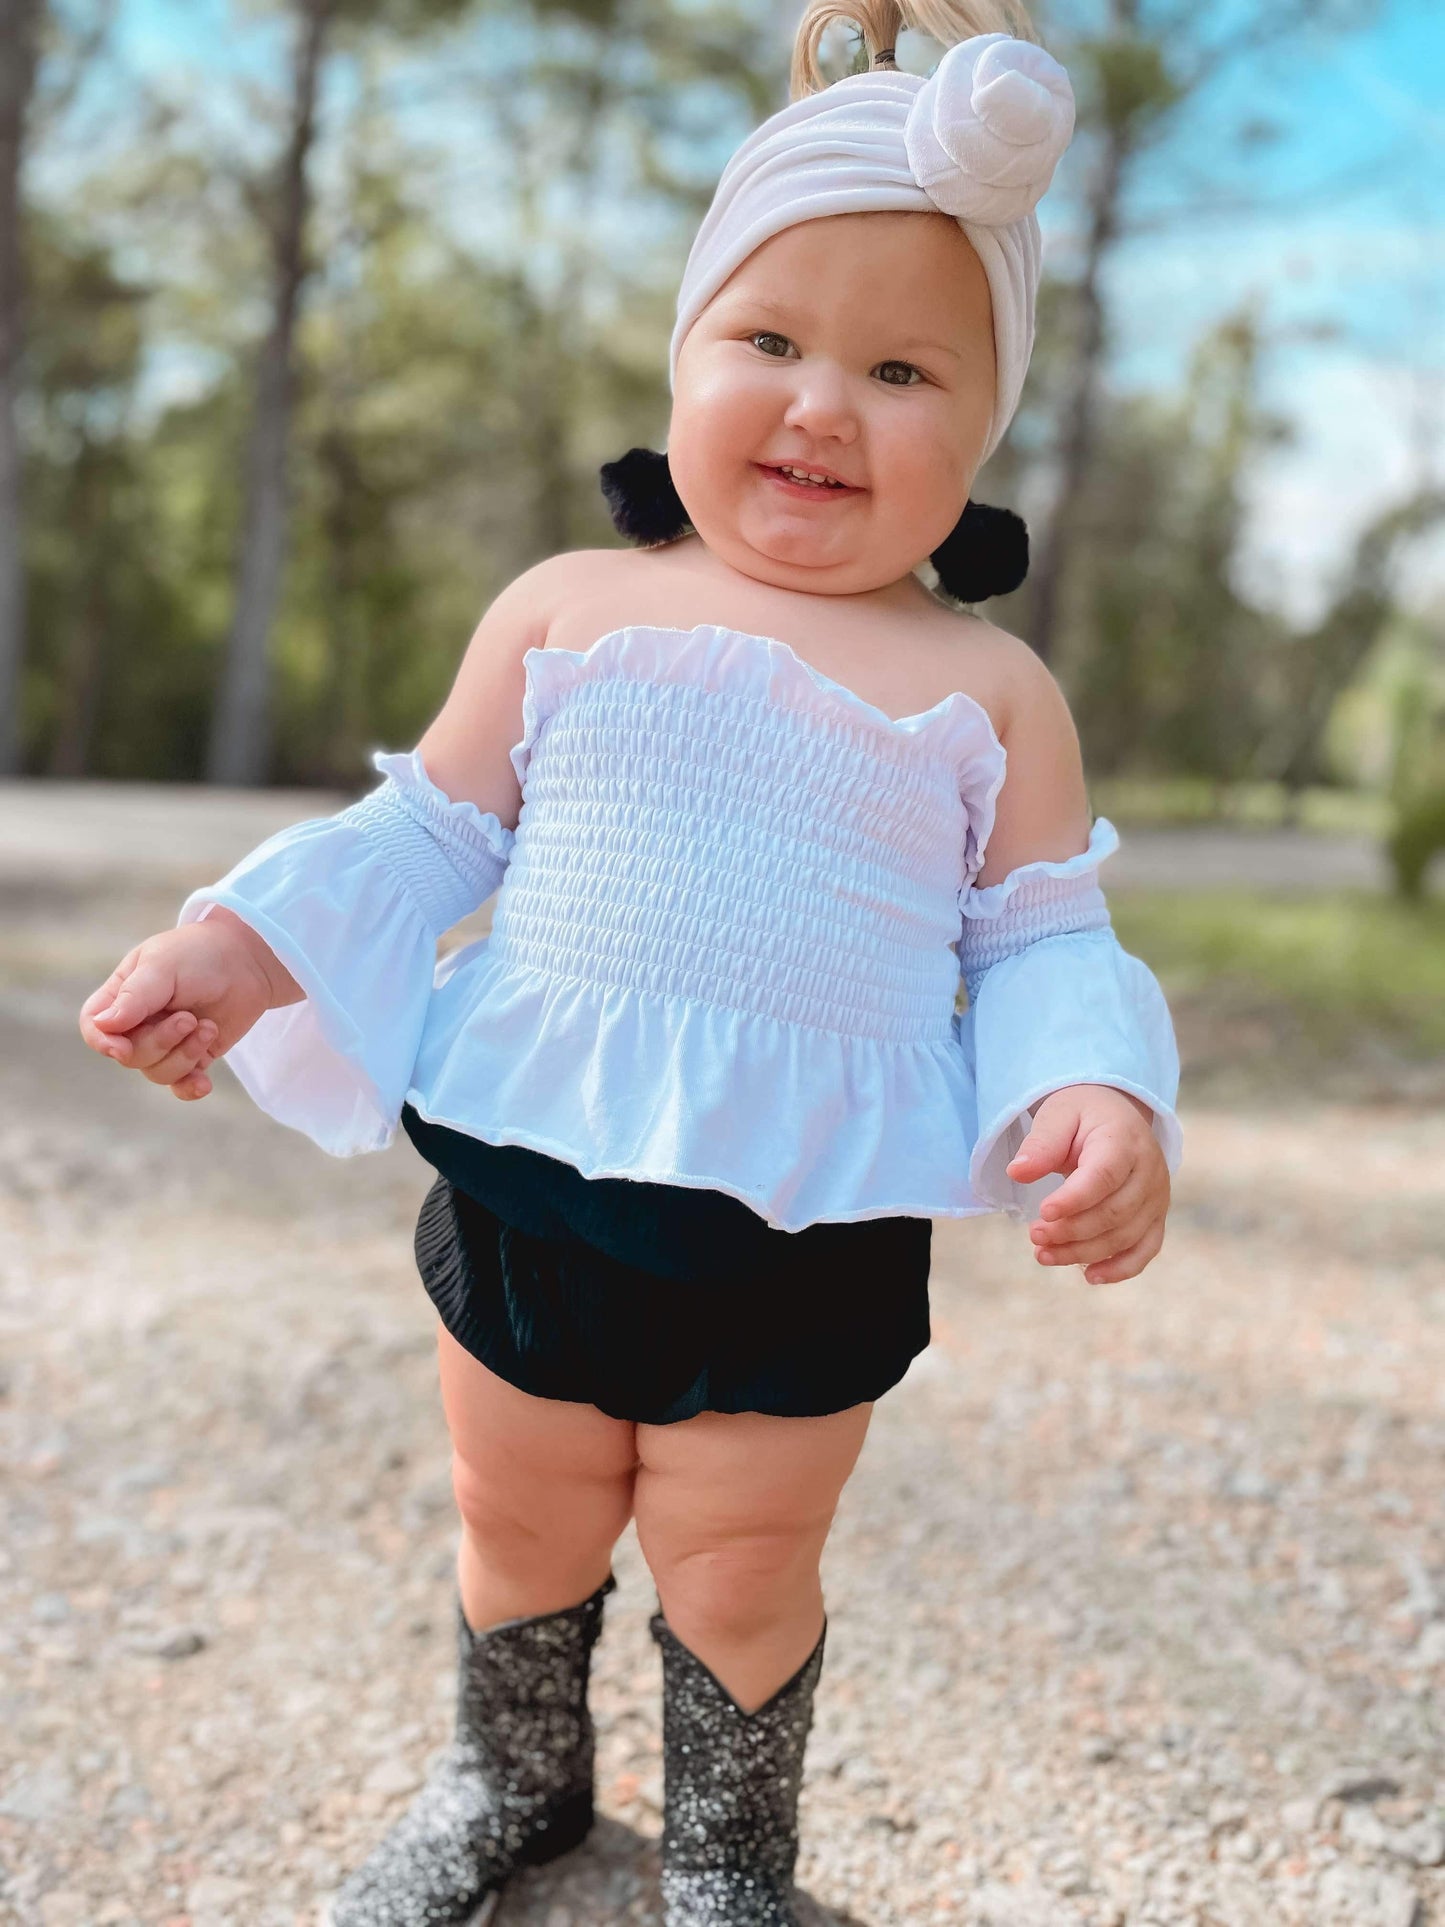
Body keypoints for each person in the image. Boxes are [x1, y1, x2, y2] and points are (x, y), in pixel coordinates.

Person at [78, 2, 1184, 1921]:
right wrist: (241, 941)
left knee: (739, 1555)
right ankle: (506, 1781)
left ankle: (733, 1861)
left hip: (799, 1222)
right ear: (682, 358)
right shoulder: (573, 607)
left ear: (983, 422)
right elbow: (425, 829)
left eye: (903, 367)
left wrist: (1092, 1087)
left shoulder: (986, 687)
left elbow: (1037, 935)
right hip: (533, 1167)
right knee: (519, 1514)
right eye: (767, 341)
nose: (823, 404)